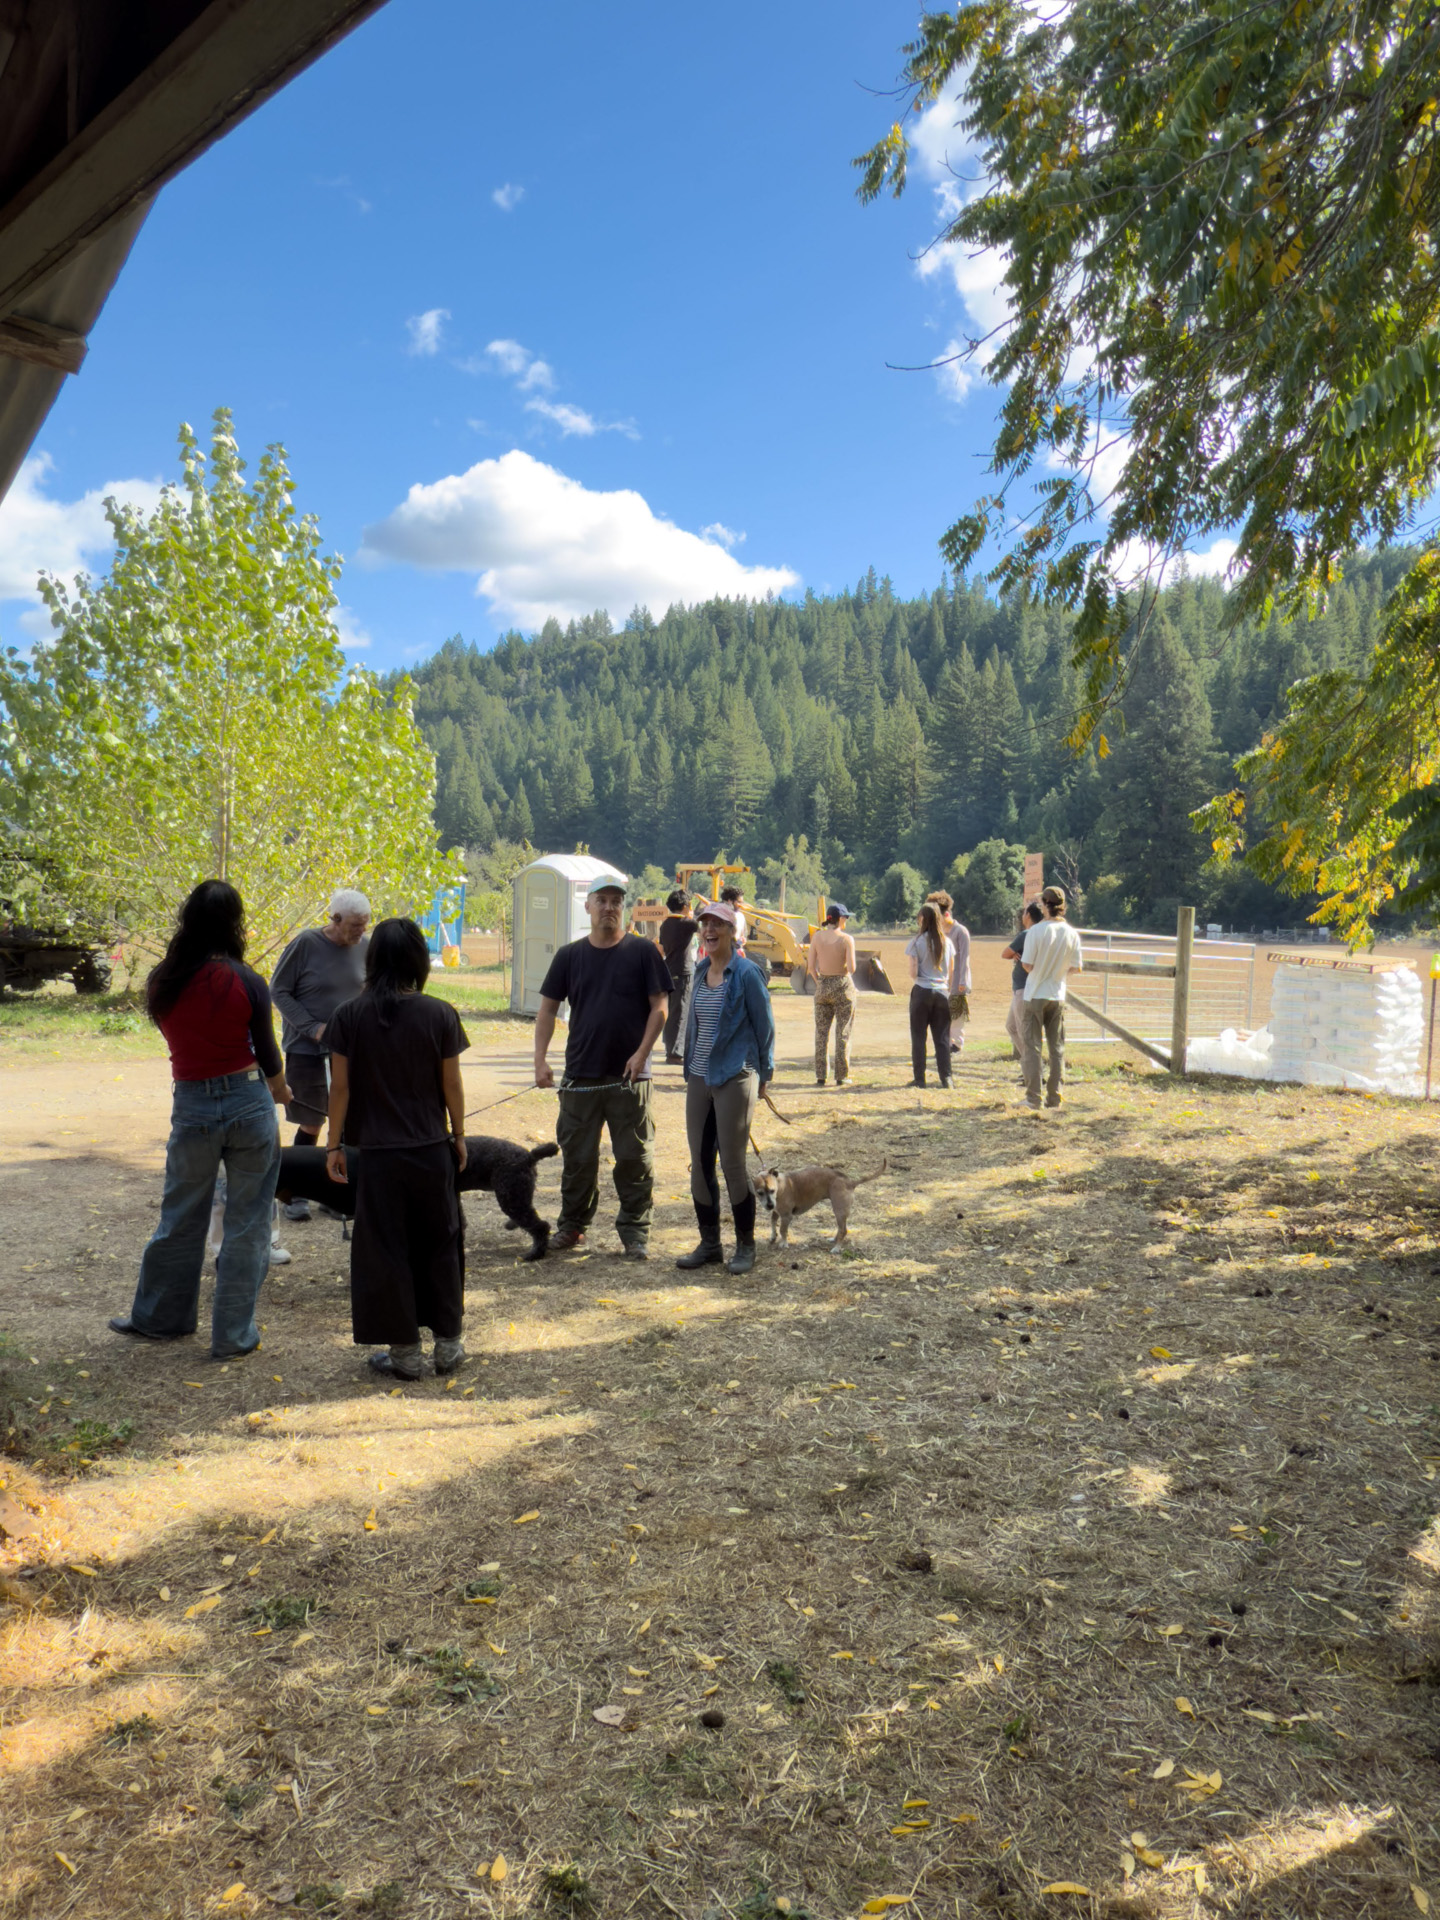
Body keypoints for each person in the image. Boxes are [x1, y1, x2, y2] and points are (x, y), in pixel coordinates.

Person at [109, 880, 288, 1359]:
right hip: (250, 1102)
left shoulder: (164, 979)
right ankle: (233, 1336)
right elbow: (268, 1052)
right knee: (248, 1223)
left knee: (180, 1216)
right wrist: (283, 1091)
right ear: (234, 922)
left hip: (192, 1105)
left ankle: (160, 1319)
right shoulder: (246, 979)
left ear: (188, 919)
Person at [324, 917, 470, 1379]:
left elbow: (340, 1089)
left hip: (378, 1156)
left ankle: (404, 1352)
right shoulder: (440, 1013)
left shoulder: (349, 1015)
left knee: (386, 1249)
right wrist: (460, 1135)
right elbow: (452, 1084)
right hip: (431, 1149)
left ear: (373, 959)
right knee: (441, 1243)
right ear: (415, 961)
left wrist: (333, 1145)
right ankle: (449, 1346)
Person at [535, 874, 671, 1258]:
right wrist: (540, 1059)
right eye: (602, 900)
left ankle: (634, 1232)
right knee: (578, 1159)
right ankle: (573, 1226)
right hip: (580, 1075)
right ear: (588, 906)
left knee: (634, 1159)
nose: (609, 908)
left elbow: (660, 1006)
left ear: (623, 908)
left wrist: (642, 1053)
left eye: (616, 901)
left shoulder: (643, 952)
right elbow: (547, 1010)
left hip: (630, 1078)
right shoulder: (569, 956)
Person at [676, 901, 775, 1275]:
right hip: (700, 1078)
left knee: (732, 1163)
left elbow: (764, 1027)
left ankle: (746, 1246)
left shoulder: (747, 974)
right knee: (700, 1165)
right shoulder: (701, 970)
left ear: (734, 932)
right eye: (705, 924)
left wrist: (765, 1073)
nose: (710, 930)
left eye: (719, 924)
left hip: (736, 1076)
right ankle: (710, 1244)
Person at [270, 889, 371, 1220]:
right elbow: (278, 990)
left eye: (365, 925)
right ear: (336, 919)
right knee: (312, 1121)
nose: (361, 931)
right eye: (355, 925)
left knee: (345, 1121)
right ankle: (295, 1193)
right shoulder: (305, 944)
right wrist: (311, 1027)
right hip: (306, 1048)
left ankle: (335, 1192)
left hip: (349, 1049)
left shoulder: (365, 947)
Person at [1021, 884, 1085, 1111]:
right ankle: (1055, 1097)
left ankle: (1033, 1098)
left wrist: (1041, 970)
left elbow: (1027, 964)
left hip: (1035, 992)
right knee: (1056, 1048)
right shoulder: (1072, 933)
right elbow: (1076, 967)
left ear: (1044, 906)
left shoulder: (1036, 931)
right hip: (1058, 994)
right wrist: (1058, 973)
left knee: (1032, 1047)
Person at [906, 901, 958, 1088]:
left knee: (919, 1037)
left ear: (923, 920)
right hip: (942, 992)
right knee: (942, 1038)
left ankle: (920, 1079)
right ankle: (947, 1078)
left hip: (921, 991)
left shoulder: (916, 942)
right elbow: (951, 972)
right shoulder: (948, 943)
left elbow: (913, 972)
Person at [808, 902, 856, 1086]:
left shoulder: (817, 937)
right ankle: (842, 1075)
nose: (847, 921)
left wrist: (819, 981)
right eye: (846, 917)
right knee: (843, 1031)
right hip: (842, 985)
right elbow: (851, 968)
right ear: (840, 919)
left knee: (821, 1032)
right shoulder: (846, 939)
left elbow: (811, 967)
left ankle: (821, 1074)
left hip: (823, 984)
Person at [928, 889, 973, 1054]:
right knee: (943, 1014)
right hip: (943, 981)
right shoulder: (938, 934)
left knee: (957, 1014)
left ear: (946, 914)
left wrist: (962, 982)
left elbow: (965, 959)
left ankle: (957, 1044)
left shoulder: (960, 932)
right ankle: (946, 1043)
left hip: (958, 981)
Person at [658, 888, 699, 1064]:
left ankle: (670, 1047)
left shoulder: (665, 924)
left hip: (668, 971)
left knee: (672, 1011)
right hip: (682, 971)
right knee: (681, 1012)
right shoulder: (686, 923)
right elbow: (702, 923)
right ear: (684, 906)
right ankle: (675, 1053)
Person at [1002, 900, 1045, 1062]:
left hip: (1023, 988)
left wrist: (1013, 954)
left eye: (1024, 912)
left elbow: (1004, 953)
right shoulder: (1041, 934)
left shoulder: (1026, 934)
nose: (1022, 915)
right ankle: (1028, 1063)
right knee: (1012, 1026)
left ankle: (1033, 1068)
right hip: (1029, 987)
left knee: (1023, 1031)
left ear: (1028, 915)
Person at [719, 883, 749, 952]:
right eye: (739, 902)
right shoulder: (719, 916)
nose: (741, 905)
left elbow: (743, 936)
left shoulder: (741, 916)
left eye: (742, 902)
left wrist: (742, 940)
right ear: (730, 901)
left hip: (736, 954)